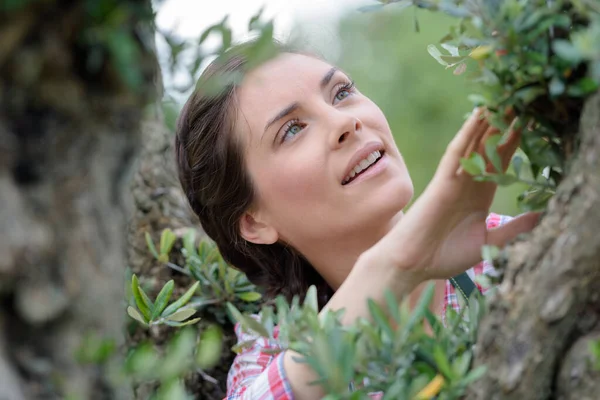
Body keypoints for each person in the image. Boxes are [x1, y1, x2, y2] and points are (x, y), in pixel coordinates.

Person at [174, 41, 539, 400]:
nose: (345, 120)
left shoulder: (511, 253)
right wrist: (397, 263)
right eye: (292, 129)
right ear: (254, 223)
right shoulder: (272, 346)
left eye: (341, 92)